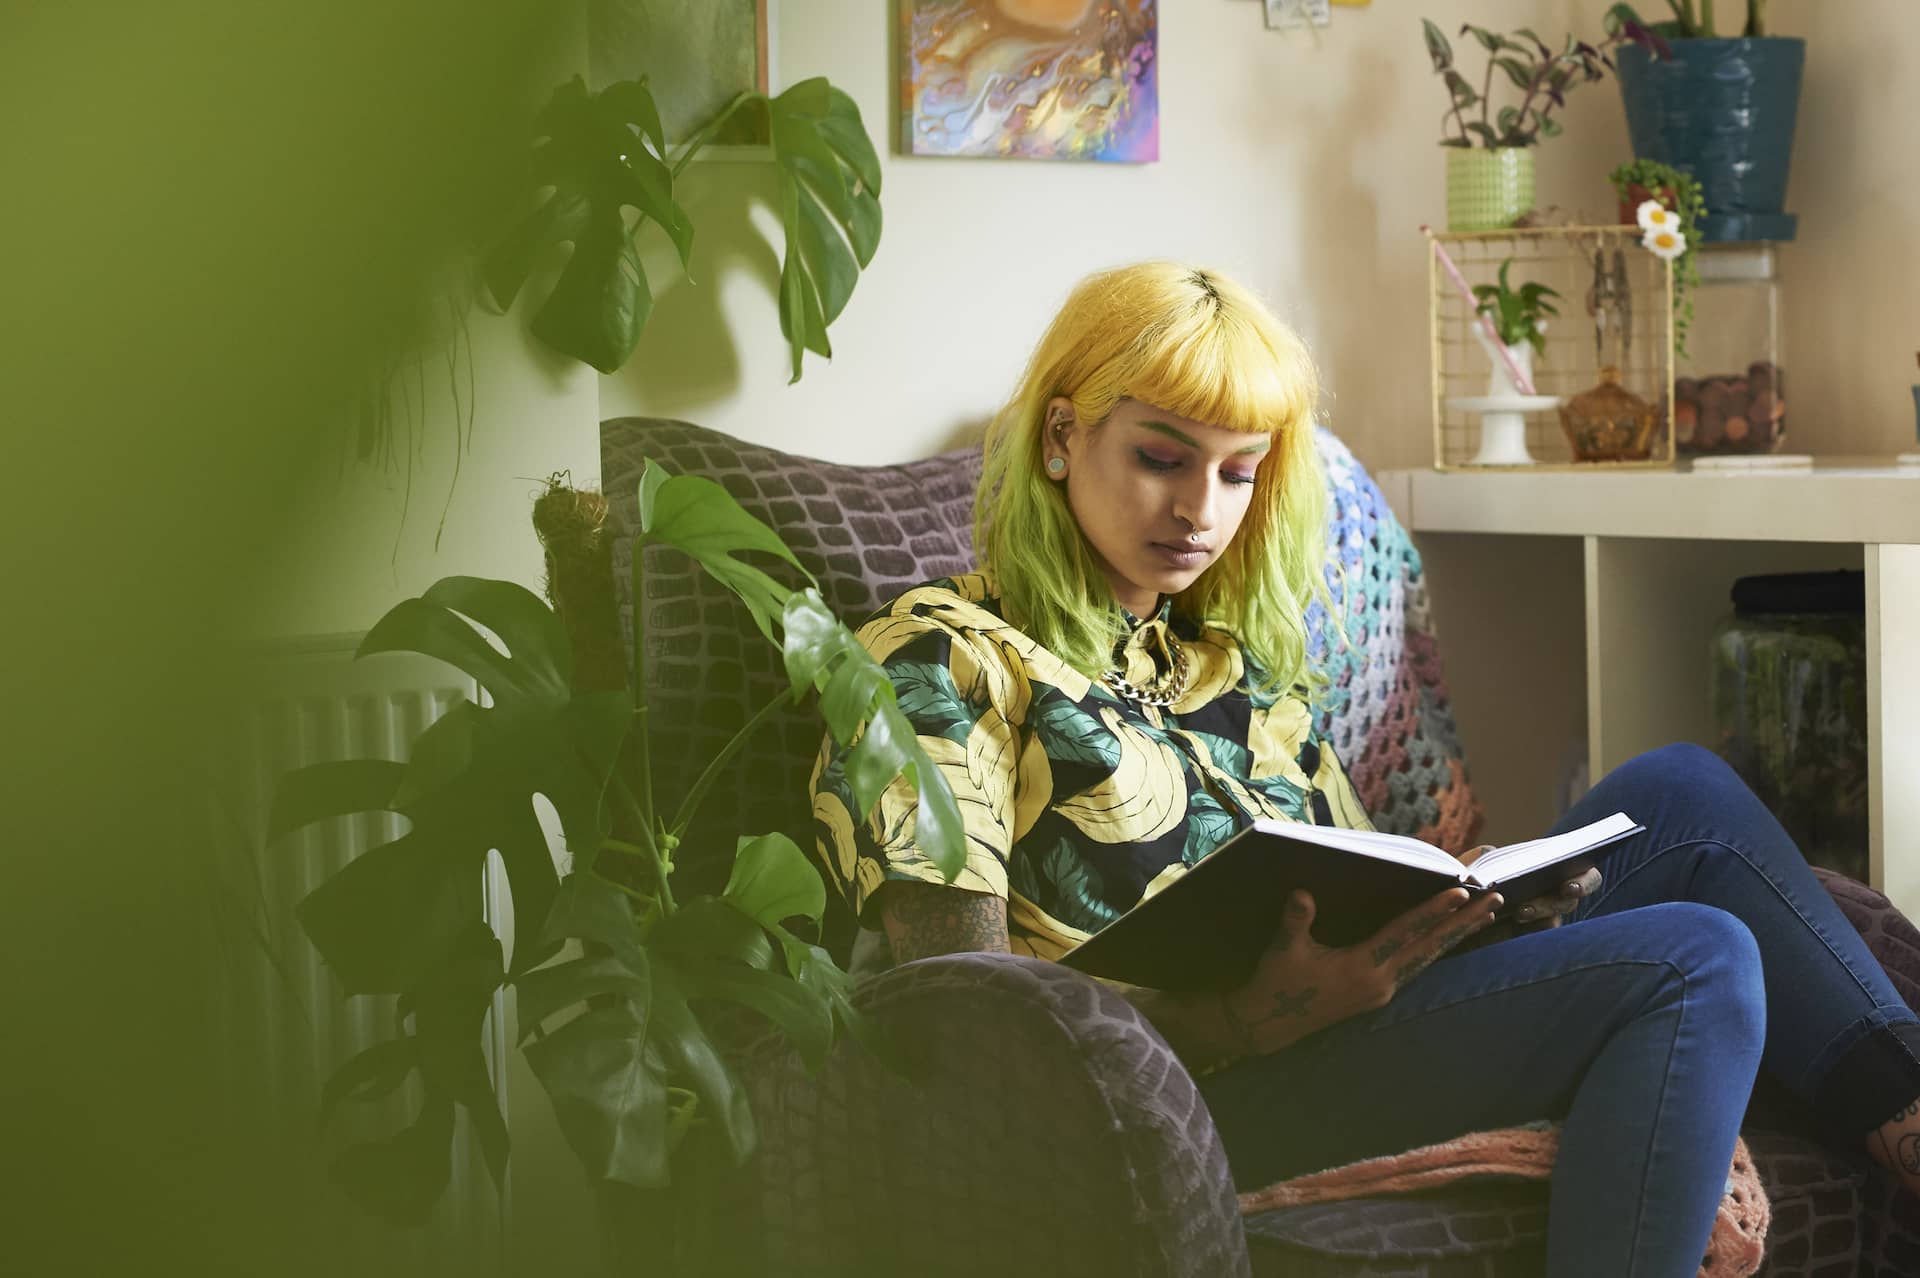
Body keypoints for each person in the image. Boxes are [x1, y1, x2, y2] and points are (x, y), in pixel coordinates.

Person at [808, 260, 1920, 1277]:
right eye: (1161, 457)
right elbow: (963, 1015)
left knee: (1683, 793)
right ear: (1061, 438)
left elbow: (1357, 873)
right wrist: (1241, 1019)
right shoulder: (934, 656)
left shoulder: (1224, 664)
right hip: (1202, 1090)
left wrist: (1481, 904)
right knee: (1699, 956)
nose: (1201, 510)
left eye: (1239, 474)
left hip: (1354, 1022)